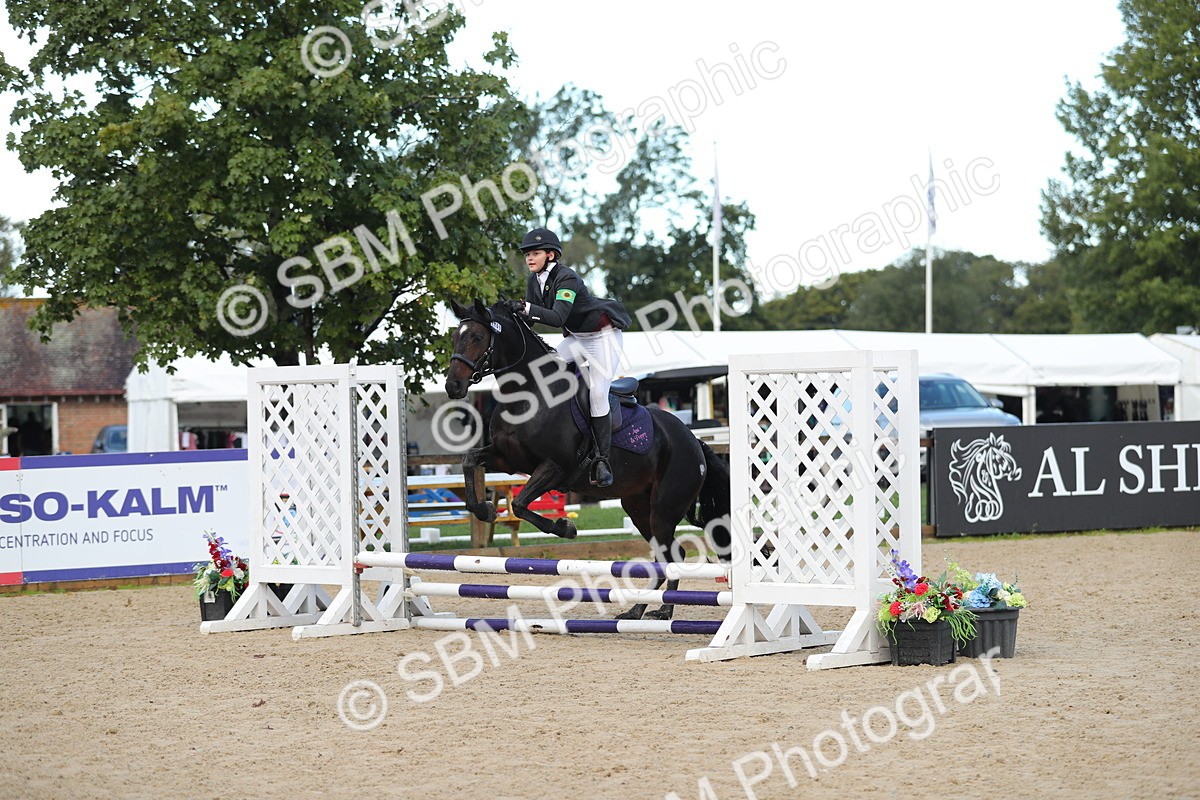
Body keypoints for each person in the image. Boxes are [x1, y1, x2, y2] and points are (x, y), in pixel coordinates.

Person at [501, 227, 631, 488]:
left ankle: (602, 460)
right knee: (543, 369)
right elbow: (532, 323)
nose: (529, 258)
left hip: (603, 339)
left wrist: (526, 308)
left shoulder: (567, 278)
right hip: (577, 339)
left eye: (535, 253)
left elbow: (557, 317)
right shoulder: (533, 281)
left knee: (597, 393)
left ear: (551, 255)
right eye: (527, 254)